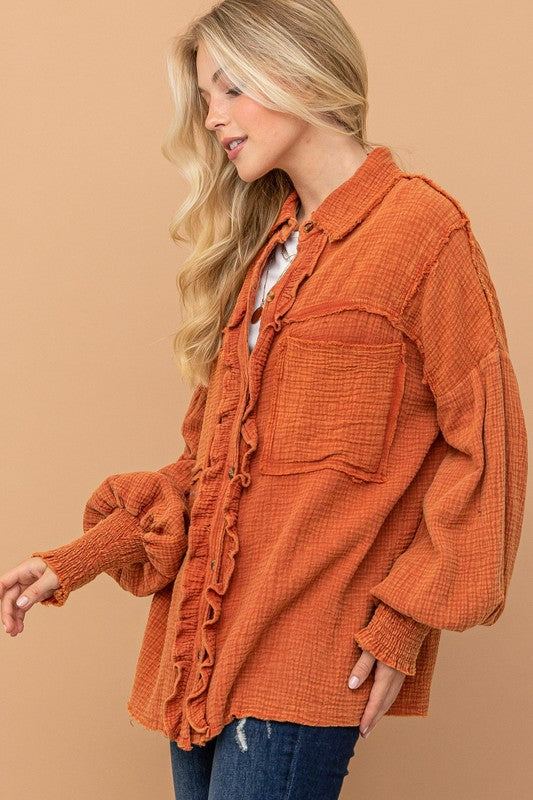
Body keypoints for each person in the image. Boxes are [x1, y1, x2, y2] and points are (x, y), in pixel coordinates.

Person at [0, 1, 528, 798]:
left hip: (303, 657)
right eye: (205, 99)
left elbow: (486, 448)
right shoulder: (266, 258)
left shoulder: (422, 232)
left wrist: (399, 626)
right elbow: (207, 470)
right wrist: (70, 562)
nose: (212, 119)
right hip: (199, 658)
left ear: (297, 70)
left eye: (228, 89)